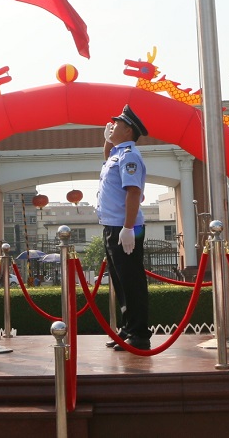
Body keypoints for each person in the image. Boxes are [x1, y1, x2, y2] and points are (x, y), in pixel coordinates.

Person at [96, 104, 151, 351]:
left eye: (116, 124)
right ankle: (128, 328)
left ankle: (139, 334)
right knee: (120, 281)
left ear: (128, 130)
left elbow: (133, 192)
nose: (112, 126)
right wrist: (107, 141)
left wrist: (128, 228)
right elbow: (107, 157)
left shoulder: (129, 156)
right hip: (113, 226)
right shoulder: (118, 154)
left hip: (125, 228)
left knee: (131, 281)